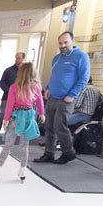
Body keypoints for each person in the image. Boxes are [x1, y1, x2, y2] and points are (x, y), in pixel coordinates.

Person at [34, 31, 90, 164]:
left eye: (66, 42)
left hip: (66, 99)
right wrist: (47, 88)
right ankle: (49, 154)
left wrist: (72, 95)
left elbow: (84, 78)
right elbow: (55, 76)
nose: (63, 45)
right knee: (48, 126)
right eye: (60, 43)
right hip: (52, 97)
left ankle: (68, 152)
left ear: (73, 41)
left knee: (60, 126)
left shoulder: (81, 56)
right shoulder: (57, 58)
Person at [0, 62, 45, 182]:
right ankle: (22, 170)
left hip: (16, 118)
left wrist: (6, 119)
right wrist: (42, 114)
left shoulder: (14, 87)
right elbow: (40, 102)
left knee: (7, 145)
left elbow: (10, 105)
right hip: (29, 119)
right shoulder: (36, 86)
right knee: (24, 146)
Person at [0, 52, 26, 137]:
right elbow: (2, 82)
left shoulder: (26, 71)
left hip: (21, 98)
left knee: (18, 115)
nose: (17, 60)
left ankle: (16, 131)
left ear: (23, 59)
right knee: (3, 113)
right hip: (7, 96)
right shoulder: (9, 70)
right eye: (16, 58)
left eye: (19, 58)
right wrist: (8, 90)